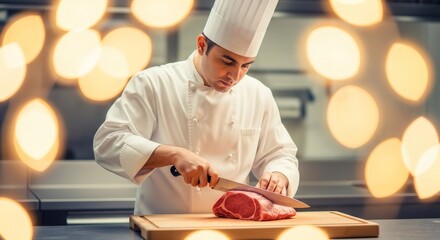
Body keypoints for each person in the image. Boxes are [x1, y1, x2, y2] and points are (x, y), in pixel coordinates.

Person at [93, 0, 300, 215]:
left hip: (232, 226)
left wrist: (279, 174)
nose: (235, 76)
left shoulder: (258, 94)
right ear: (201, 45)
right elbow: (108, 143)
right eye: (227, 62)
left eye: (245, 65)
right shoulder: (153, 83)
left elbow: (280, 153)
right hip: (165, 227)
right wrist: (173, 154)